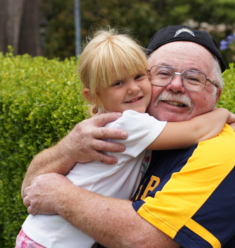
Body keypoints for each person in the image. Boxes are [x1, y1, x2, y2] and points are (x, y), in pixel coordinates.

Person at [16, 29, 234, 248]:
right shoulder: (124, 126)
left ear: (217, 94)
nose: (175, 86)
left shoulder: (221, 150)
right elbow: (31, 188)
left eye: (194, 78)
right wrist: (66, 150)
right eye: (162, 74)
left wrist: (60, 196)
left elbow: (147, 241)